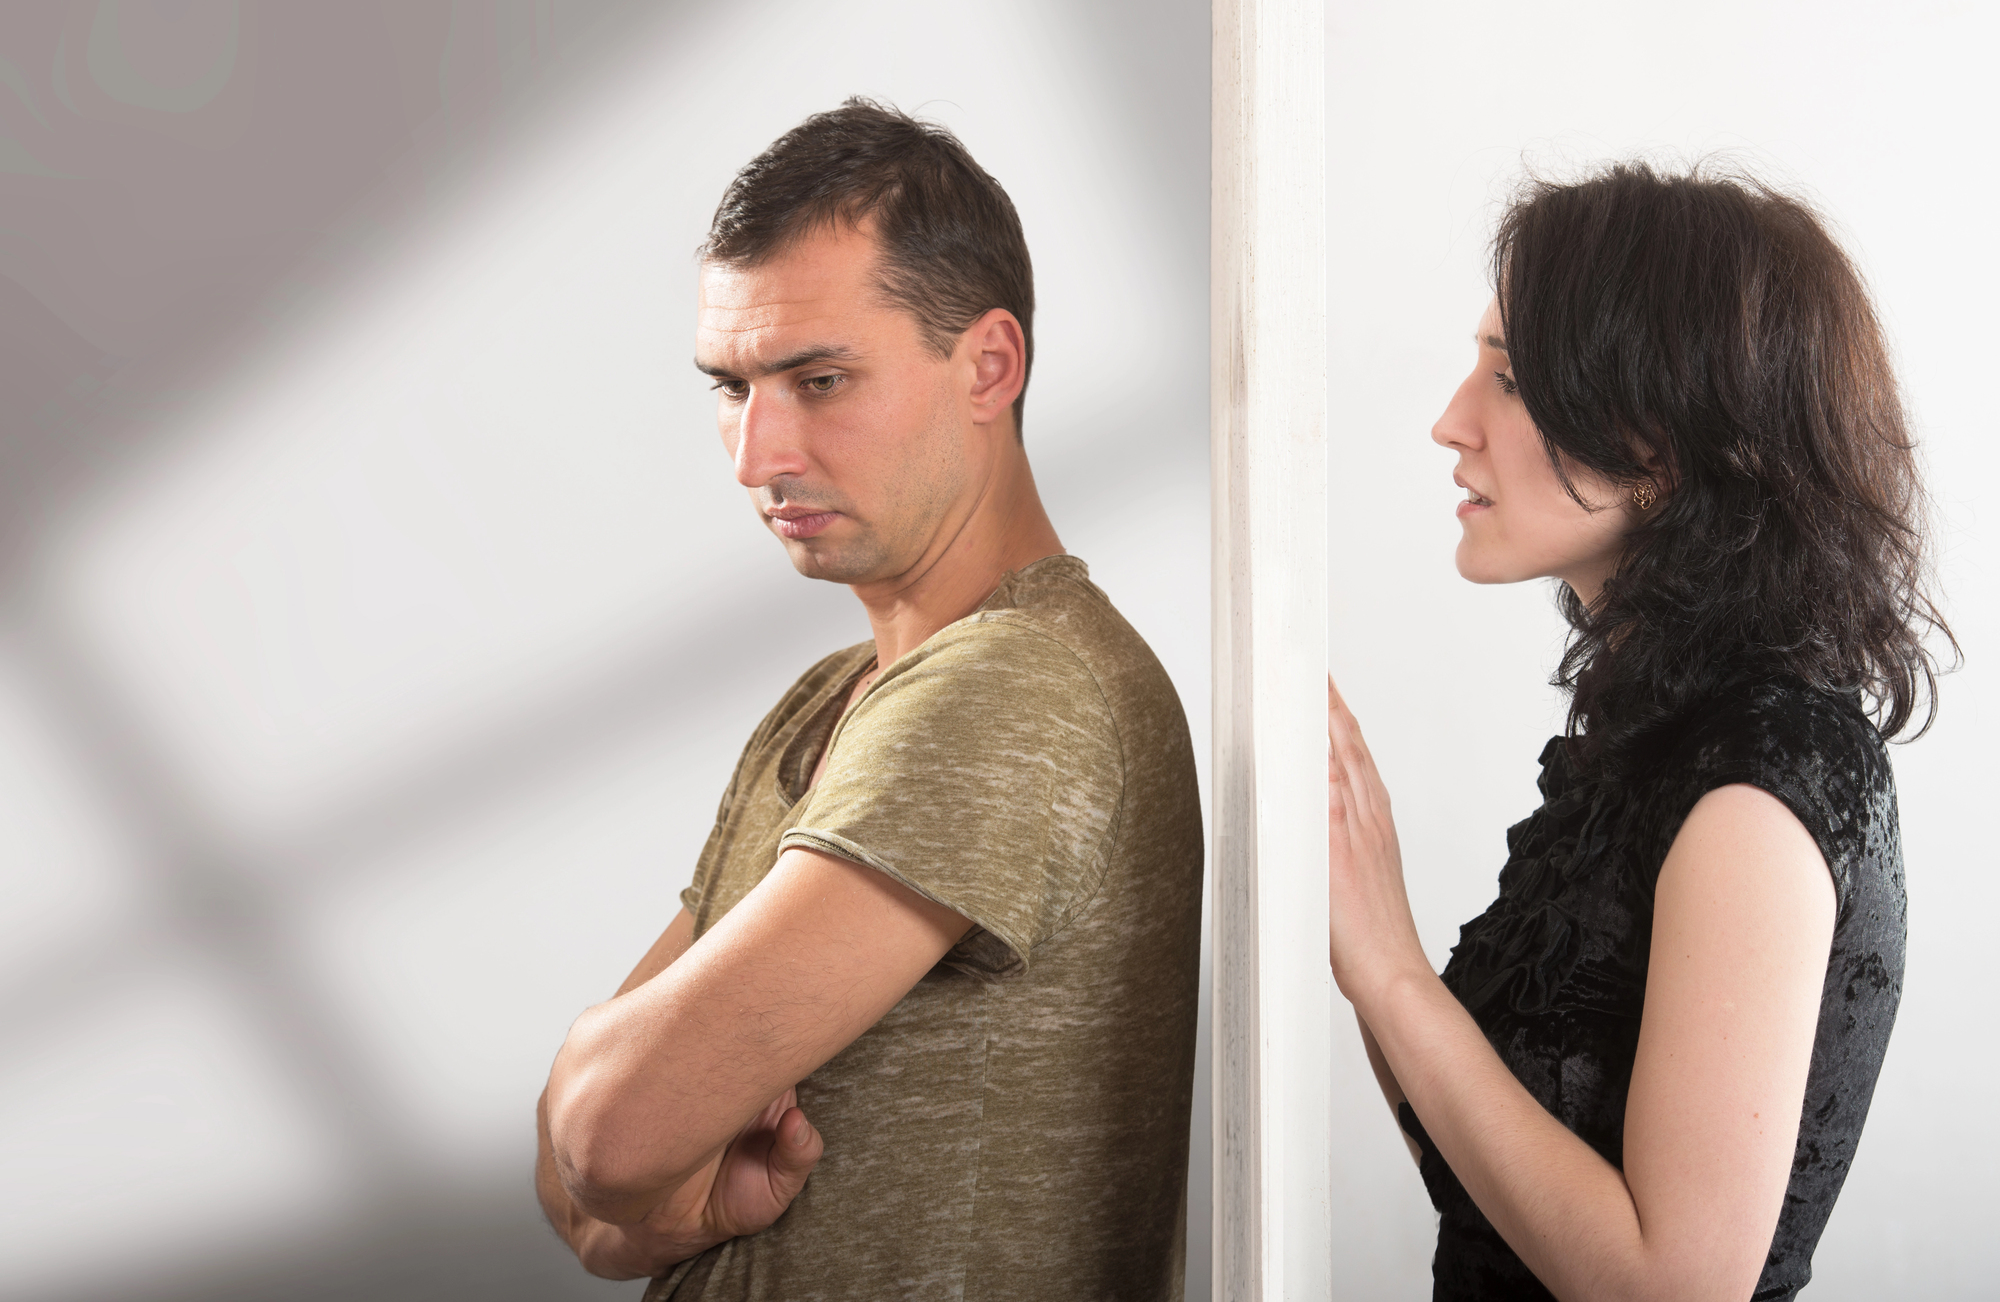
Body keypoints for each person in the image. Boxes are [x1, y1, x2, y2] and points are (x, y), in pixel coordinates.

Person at [533, 98, 1205, 1300]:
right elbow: (580, 1199)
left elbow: (602, 1129)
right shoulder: (835, 695)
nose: (757, 452)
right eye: (730, 387)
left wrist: (602, 1096)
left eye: (819, 377)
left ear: (988, 364)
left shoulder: (1015, 686)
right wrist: (643, 1200)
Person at [1325, 163, 1948, 1301]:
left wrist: (1390, 967)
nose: (1449, 421)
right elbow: (1487, 1188)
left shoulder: (1761, 780)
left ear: (1660, 442)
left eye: (1507, 380)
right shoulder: (1642, 742)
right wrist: (1364, 938)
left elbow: (1669, 1284)